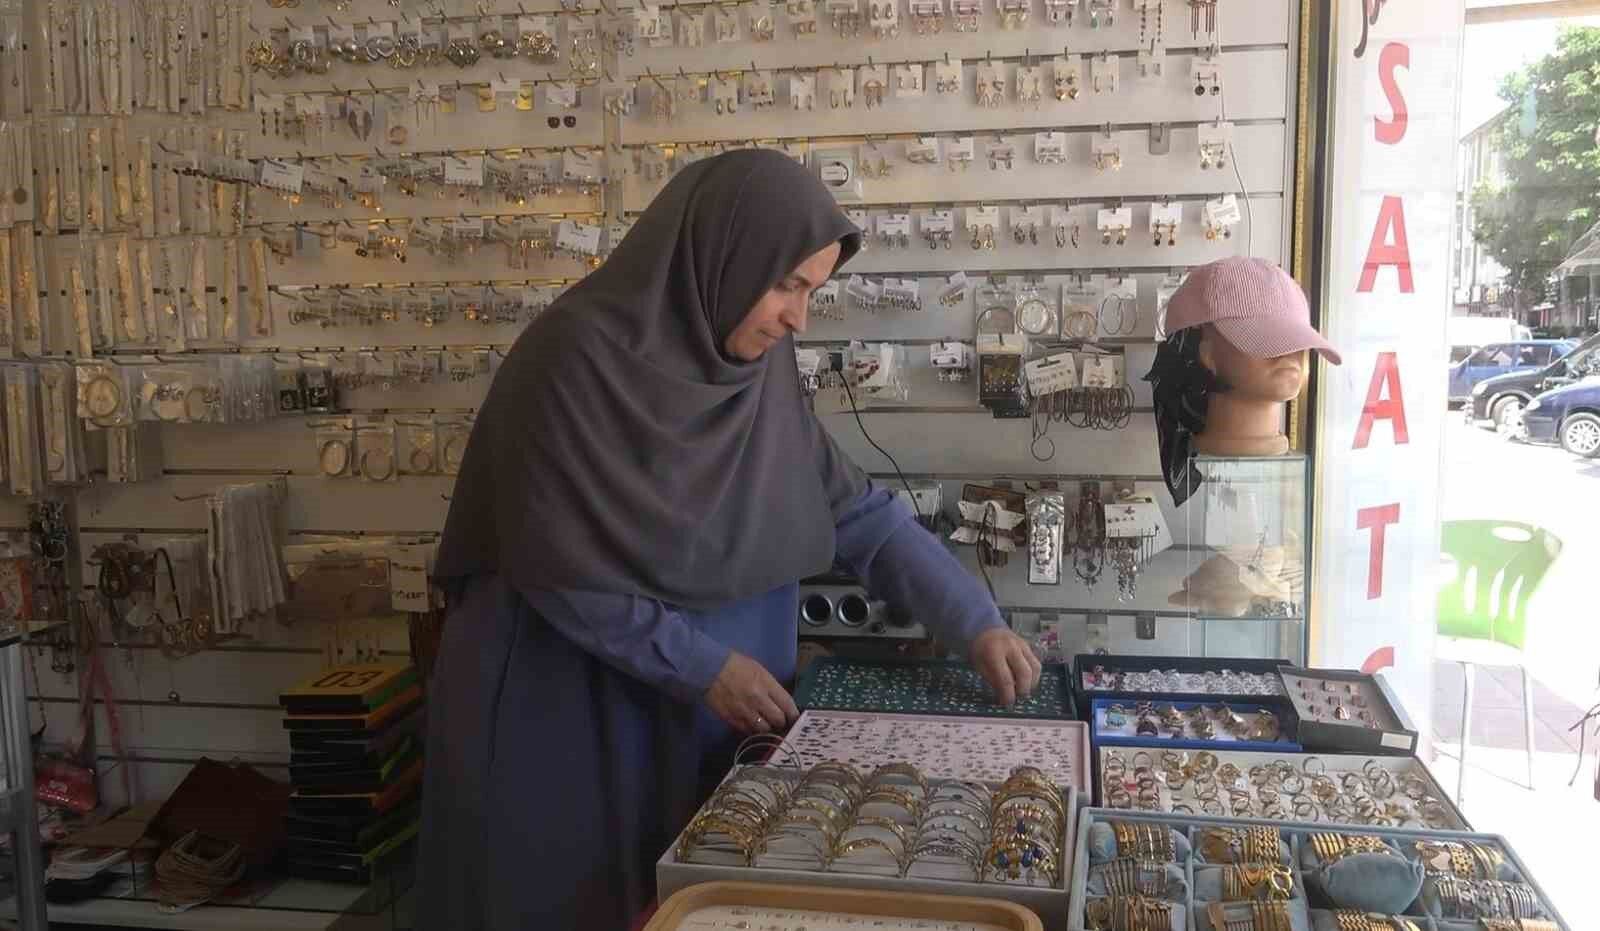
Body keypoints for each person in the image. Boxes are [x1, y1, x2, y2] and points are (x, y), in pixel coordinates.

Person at [418, 149, 1041, 929]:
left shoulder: (757, 375)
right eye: (787, 286)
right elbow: (554, 565)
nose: (798, 318)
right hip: (573, 713)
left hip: (703, 716)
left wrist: (973, 620)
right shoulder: (570, 360)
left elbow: (857, 512)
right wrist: (700, 664)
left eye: (812, 291)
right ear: (722, 257)